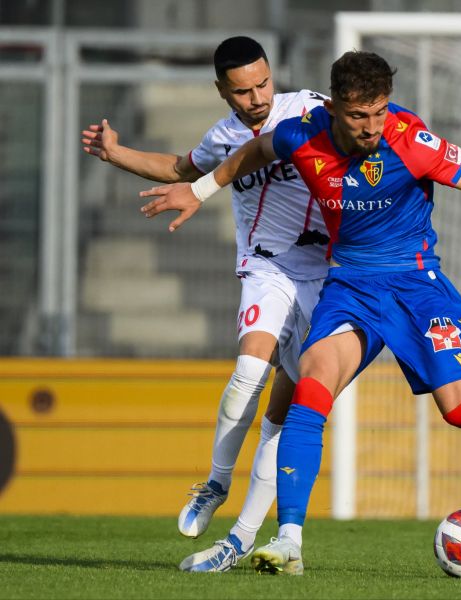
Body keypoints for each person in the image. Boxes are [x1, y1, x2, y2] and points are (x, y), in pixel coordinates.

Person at [138, 50, 461, 575]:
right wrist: (199, 190)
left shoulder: (412, 141)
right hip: (348, 285)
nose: (373, 126)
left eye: (379, 111)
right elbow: (251, 153)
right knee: (310, 388)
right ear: (335, 110)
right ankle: (289, 541)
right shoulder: (302, 135)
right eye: (359, 116)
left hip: (418, 287)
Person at [82, 36, 330, 571]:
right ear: (222, 91)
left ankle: (242, 539)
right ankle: (216, 482)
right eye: (242, 91)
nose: (257, 97)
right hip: (266, 268)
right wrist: (115, 152)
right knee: (247, 369)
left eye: (263, 83)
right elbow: (179, 170)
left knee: (283, 418)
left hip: (328, 278)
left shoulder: (310, 109)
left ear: (273, 75)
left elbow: (368, 129)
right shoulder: (222, 139)